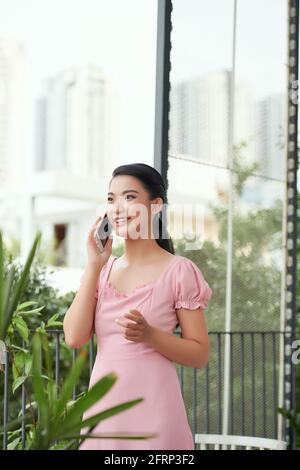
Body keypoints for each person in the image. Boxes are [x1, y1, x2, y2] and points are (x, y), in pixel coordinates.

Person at [63, 162, 212, 450]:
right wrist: (94, 265)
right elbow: (74, 337)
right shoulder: (103, 271)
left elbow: (200, 354)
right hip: (104, 419)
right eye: (111, 199)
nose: (117, 207)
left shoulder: (180, 271)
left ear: (155, 206)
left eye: (129, 197)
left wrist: (150, 335)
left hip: (157, 418)